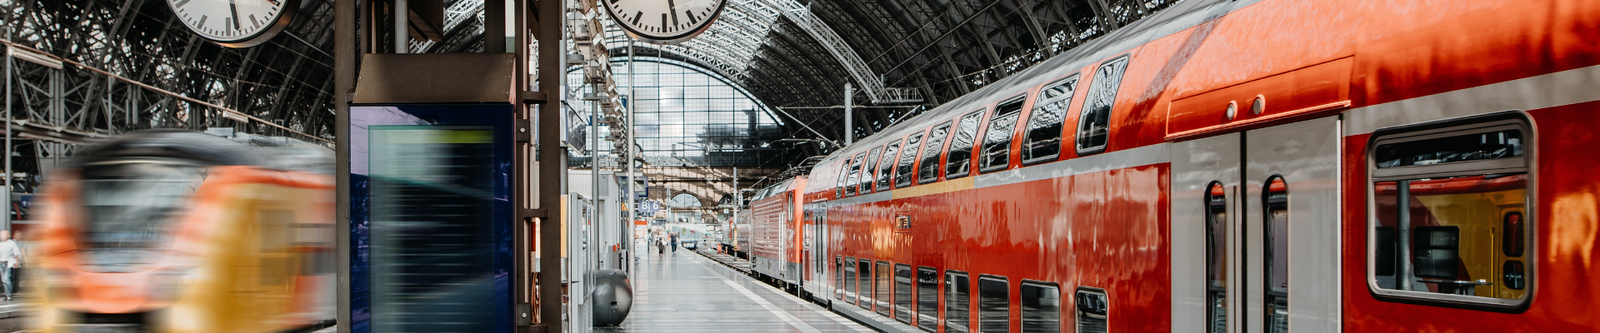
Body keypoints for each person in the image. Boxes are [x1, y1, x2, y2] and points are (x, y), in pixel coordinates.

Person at [0, 230, 19, 301]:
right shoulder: (1, 244)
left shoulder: (12, 243)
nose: (2, 236)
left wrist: (17, 263)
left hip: (8, 263)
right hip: (1, 263)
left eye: (3, 235)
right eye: (1, 235)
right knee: (3, 280)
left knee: (6, 279)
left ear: (8, 235)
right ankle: (7, 294)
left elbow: (16, 253)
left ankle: (9, 294)